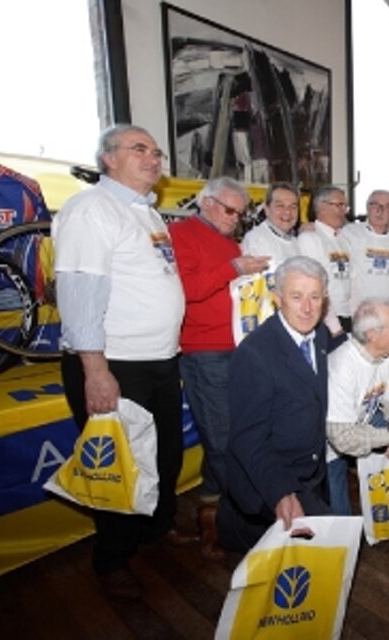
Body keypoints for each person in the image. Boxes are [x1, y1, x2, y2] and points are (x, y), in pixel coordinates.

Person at [53, 124, 195, 600]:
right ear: (108, 159)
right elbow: (80, 297)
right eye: (139, 149)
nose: (153, 158)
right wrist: (95, 371)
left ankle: (157, 527)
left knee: (165, 454)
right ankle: (112, 559)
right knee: (118, 465)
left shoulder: (147, 213)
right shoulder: (91, 210)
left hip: (159, 360)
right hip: (115, 363)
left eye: (156, 151)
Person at [168, 176, 270, 562]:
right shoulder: (181, 234)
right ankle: (231, 519)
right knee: (223, 440)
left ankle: (211, 509)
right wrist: (234, 267)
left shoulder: (230, 243)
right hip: (204, 351)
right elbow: (186, 289)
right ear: (206, 202)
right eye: (229, 210)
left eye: (240, 214)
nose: (234, 218)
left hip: (236, 348)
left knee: (228, 437)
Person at [216, 256, 332, 553]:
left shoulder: (320, 335)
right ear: (277, 298)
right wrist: (281, 492)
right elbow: (247, 438)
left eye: (315, 297)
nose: (307, 308)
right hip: (270, 483)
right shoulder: (254, 354)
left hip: (310, 474)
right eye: (296, 297)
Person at [325, 299, 389, 515]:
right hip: (327, 444)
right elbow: (342, 438)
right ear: (373, 334)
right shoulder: (342, 366)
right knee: (341, 518)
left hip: (360, 423)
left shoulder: (387, 354)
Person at [340, 189, 389, 315]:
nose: (380, 211)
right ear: (367, 208)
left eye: (387, 207)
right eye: (375, 204)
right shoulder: (349, 233)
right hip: (357, 311)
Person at [297, 185, 353, 336]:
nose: (343, 211)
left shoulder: (343, 239)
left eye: (345, 206)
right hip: (324, 319)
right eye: (339, 205)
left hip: (347, 315)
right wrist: (334, 326)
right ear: (321, 206)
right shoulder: (310, 238)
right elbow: (316, 285)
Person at [239, 181, 301, 286]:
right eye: (280, 206)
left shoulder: (295, 241)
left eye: (293, 207)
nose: (287, 212)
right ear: (267, 209)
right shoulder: (256, 239)